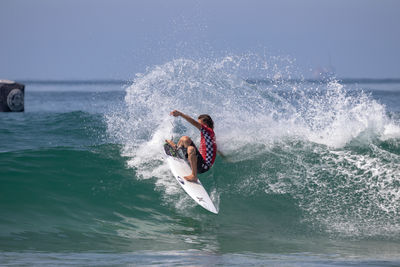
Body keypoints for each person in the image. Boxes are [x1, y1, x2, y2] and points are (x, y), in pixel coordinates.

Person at [165, 110, 217, 182]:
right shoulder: (209, 135)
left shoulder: (208, 131)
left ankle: (194, 176)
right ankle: (175, 148)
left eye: (200, 123)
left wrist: (180, 114)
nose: (198, 125)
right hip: (198, 161)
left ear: (205, 124)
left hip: (204, 167)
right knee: (185, 139)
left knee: (191, 149)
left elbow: (193, 122)